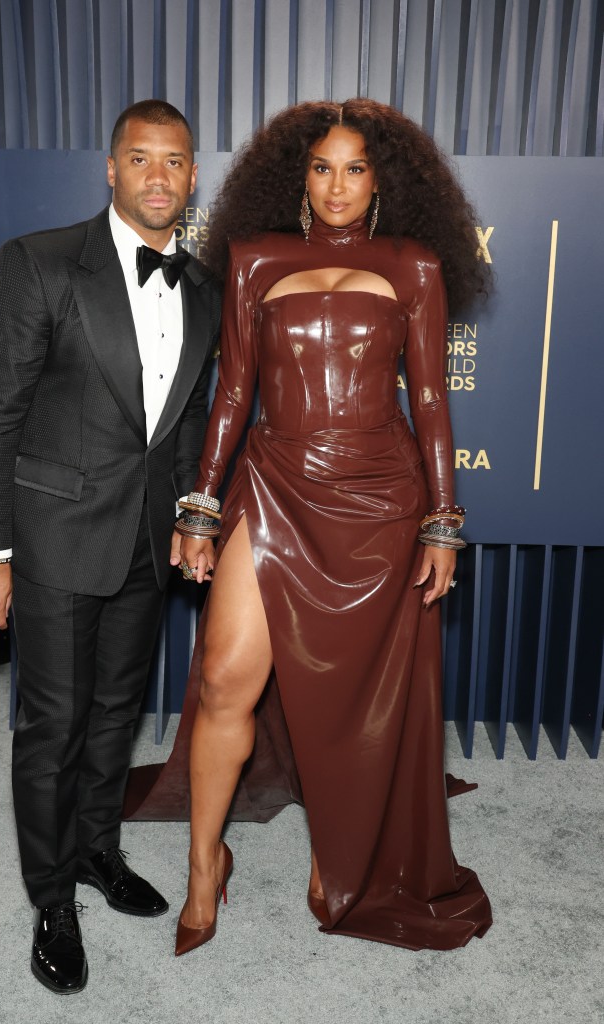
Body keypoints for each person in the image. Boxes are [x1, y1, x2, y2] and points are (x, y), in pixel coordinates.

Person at [124, 98, 493, 954]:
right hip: (276, 482)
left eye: (355, 168)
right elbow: (232, 395)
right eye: (322, 167)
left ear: (381, 179)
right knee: (222, 678)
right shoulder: (254, 261)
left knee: (355, 703)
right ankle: (202, 863)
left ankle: (346, 859)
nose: (337, 186)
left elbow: (430, 399)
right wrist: (202, 505)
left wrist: (442, 520)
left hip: (378, 501)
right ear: (299, 174)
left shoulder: (414, 265)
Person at [0, 100, 221, 992]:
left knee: (116, 716)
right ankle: (50, 896)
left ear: (192, 176)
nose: (157, 175)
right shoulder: (40, 262)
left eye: (174, 161)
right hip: (54, 535)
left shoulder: (201, 286)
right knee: (54, 726)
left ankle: (98, 854)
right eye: (139, 158)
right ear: (111, 170)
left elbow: (183, 425)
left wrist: (190, 515)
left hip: (144, 543)